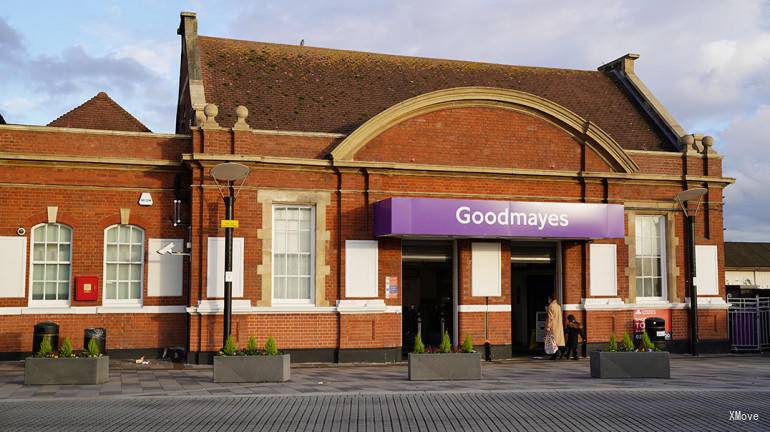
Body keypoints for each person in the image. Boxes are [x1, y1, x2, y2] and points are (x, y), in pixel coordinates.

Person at [545, 294, 565, 360]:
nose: (548, 300)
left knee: (553, 341)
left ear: (550, 299)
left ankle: (555, 355)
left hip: (553, 326)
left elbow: (550, 318)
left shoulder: (550, 306)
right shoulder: (558, 306)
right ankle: (562, 352)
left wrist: (548, 326)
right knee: (558, 341)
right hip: (559, 325)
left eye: (548, 299)